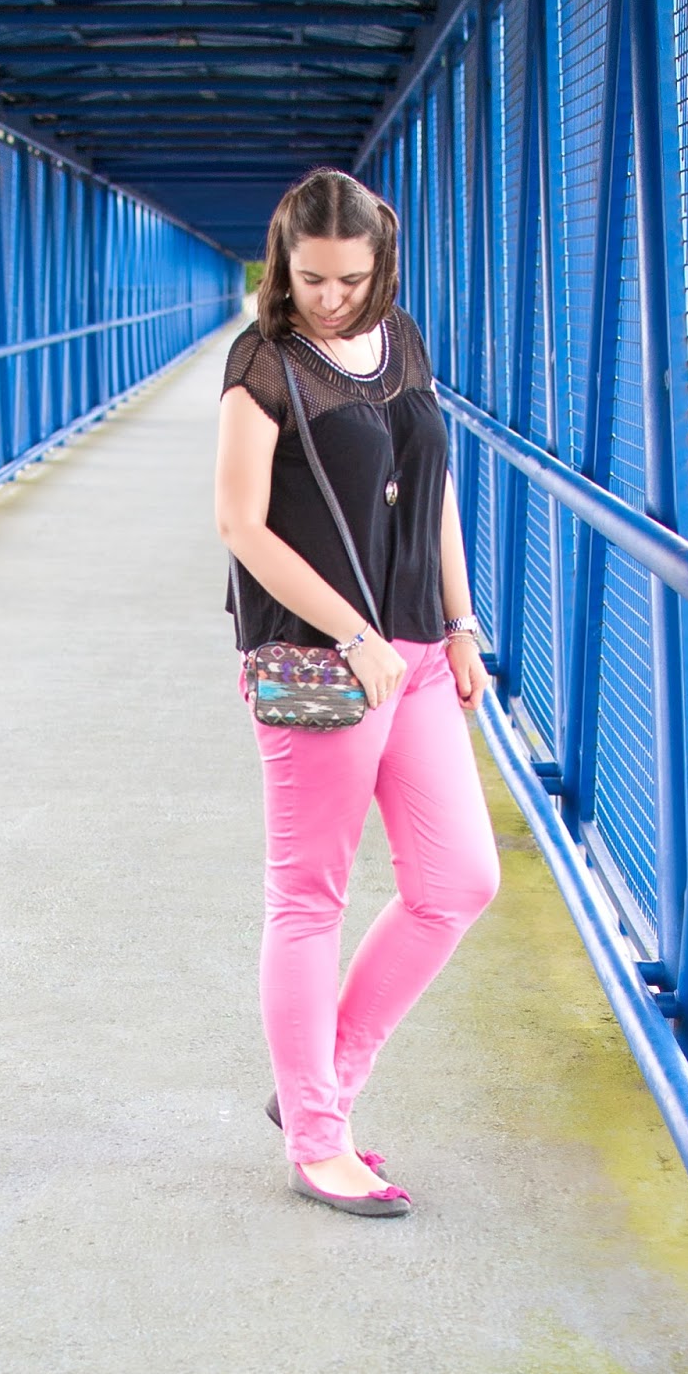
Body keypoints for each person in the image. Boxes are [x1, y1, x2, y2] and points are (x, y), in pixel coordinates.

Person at [214, 168, 500, 1217]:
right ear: (282, 268)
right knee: (310, 899)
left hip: (418, 650)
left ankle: (318, 1083)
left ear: (381, 264)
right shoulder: (263, 362)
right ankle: (317, 1140)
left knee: (459, 881)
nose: (331, 299)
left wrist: (461, 623)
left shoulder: (404, 340)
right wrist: (353, 632)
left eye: (350, 279)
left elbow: (435, 491)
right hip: (321, 661)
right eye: (311, 279)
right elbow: (240, 523)